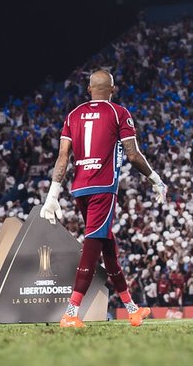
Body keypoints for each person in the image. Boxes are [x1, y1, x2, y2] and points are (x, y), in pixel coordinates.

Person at [39, 68, 168, 328]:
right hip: (103, 187)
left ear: (89, 90)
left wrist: (52, 194)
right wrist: (155, 179)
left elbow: (63, 157)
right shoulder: (118, 112)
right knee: (93, 246)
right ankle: (71, 313)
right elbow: (132, 154)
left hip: (79, 189)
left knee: (108, 247)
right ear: (113, 89)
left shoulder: (72, 115)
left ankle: (132, 309)